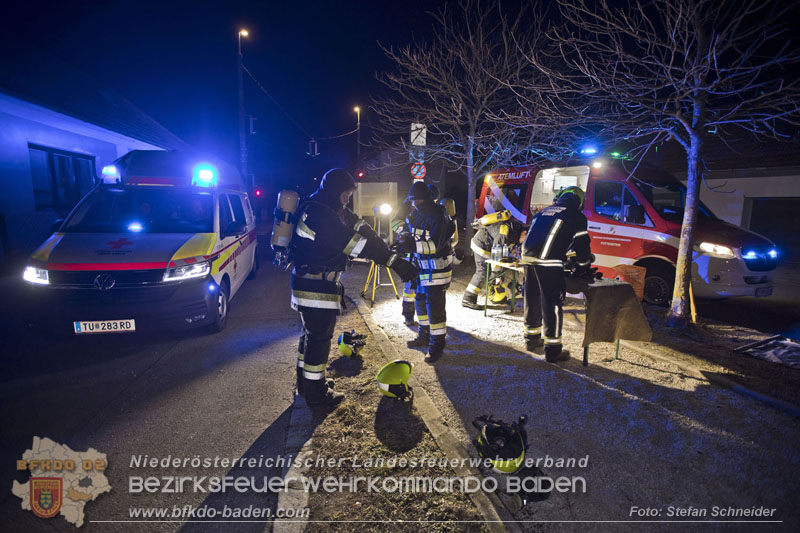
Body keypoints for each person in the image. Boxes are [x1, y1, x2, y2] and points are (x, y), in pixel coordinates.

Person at [291, 169, 418, 407]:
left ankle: (307, 385)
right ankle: (317, 395)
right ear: (336, 191)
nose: (347, 199)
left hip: (310, 281)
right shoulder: (323, 216)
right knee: (319, 339)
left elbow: (356, 224)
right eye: (346, 194)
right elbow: (356, 246)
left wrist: (378, 241)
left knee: (310, 336)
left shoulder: (320, 205)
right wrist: (395, 262)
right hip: (316, 285)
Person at [520, 186, 592, 363]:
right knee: (552, 303)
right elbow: (582, 247)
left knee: (533, 299)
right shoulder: (576, 216)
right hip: (549, 262)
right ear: (579, 202)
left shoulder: (543, 212)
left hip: (528, 259)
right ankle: (553, 350)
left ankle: (531, 339)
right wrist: (583, 266)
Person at [399, 182, 456, 363]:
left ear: (424, 199)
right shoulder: (416, 212)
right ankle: (424, 336)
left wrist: (412, 245)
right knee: (421, 303)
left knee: (435, 309)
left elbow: (435, 245)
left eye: (416, 200)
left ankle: (437, 346)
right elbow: (409, 231)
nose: (414, 204)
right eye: (413, 201)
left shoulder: (439, 214)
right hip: (421, 267)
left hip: (437, 269)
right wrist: (403, 240)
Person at [391, 183, 442, 327]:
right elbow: (395, 222)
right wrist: (404, 234)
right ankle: (408, 315)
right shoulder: (409, 206)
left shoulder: (433, 212)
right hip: (412, 253)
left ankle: (424, 319)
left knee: (423, 289)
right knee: (409, 288)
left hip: (424, 255)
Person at [462, 206, 523, 310]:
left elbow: (507, 247)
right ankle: (468, 299)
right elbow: (497, 252)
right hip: (481, 245)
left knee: (497, 271)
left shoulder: (515, 230)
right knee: (483, 271)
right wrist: (498, 273)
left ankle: (495, 296)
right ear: (525, 232)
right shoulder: (506, 232)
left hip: (489, 246)